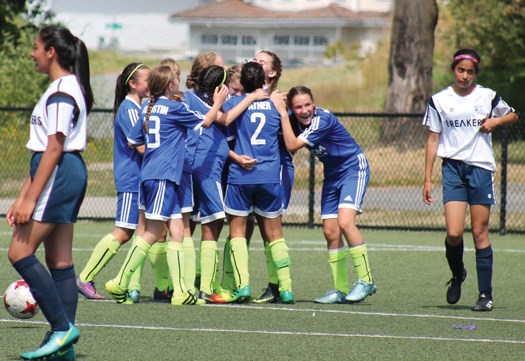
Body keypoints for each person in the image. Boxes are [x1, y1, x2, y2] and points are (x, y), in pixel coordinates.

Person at [6, 25, 93, 360]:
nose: (32, 53)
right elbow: (43, 149)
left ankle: (61, 328)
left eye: (35, 47)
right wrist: (23, 194)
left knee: (19, 252)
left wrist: (30, 198)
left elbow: (54, 149)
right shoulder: (64, 87)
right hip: (60, 172)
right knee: (59, 261)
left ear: (51, 51)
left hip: (60, 172)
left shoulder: (62, 91)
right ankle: (64, 348)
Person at [422, 49, 518, 312]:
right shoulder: (439, 100)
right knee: (453, 233)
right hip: (452, 169)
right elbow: (433, 139)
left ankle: (485, 294)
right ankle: (457, 274)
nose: (465, 75)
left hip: (479, 169)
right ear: (454, 69)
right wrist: (427, 178)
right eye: (460, 70)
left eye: (470, 72)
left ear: (476, 74)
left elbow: (513, 115)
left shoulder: (487, 96)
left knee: (479, 232)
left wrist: (496, 121)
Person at [275, 85, 376, 304]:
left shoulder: (323, 119)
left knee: (345, 222)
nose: (304, 111)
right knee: (330, 232)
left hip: (353, 168)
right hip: (332, 175)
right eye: (298, 107)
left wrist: (283, 112)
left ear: (314, 103)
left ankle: (366, 281)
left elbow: (292, 145)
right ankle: (339, 289)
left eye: (308, 105)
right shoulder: (293, 118)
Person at [222, 61, 295, 304]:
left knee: (238, 234)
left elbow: (222, 129)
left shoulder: (234, 103)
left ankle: (242, 287)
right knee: (275, 235)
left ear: (242, 83)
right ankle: (286, 288)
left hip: (241, 176)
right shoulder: (276, 105)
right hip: (269, 176)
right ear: (264, 80)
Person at [76, 62, 149, 301]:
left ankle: (128, 284)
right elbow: (138, 146)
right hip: (131, 177)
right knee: (124, 231)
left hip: (139, 177)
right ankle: (85, 276)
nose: (151, 83)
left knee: (143, 231)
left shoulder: (139, 107)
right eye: (147, 79)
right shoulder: (129, 109)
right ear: (133, 84)